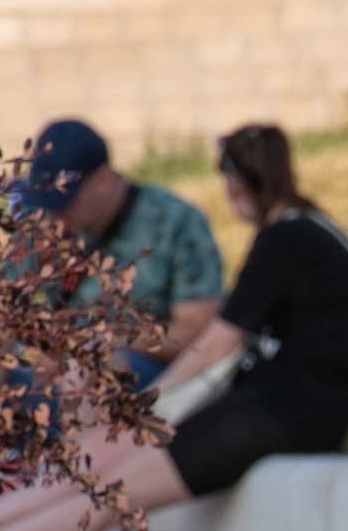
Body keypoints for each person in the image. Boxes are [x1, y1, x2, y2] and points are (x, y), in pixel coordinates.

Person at [0, 124, 348, 531]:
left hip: (282, 413)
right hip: (279, 405)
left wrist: (148, 406)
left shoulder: (282, 240)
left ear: (240, 183)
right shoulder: (320, 234)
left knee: (103, 492)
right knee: (97, 466)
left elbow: (215, 343)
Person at [14, 118, 225, 383]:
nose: (56, 214)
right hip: (53, 376)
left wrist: (112, 339)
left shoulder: (176, 221)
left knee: (90, 365)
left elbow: (198, 333)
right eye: (46, 201)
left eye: (65, 200)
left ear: (102, 179)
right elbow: (2, 310)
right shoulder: (41, 222)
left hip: (148, 378)